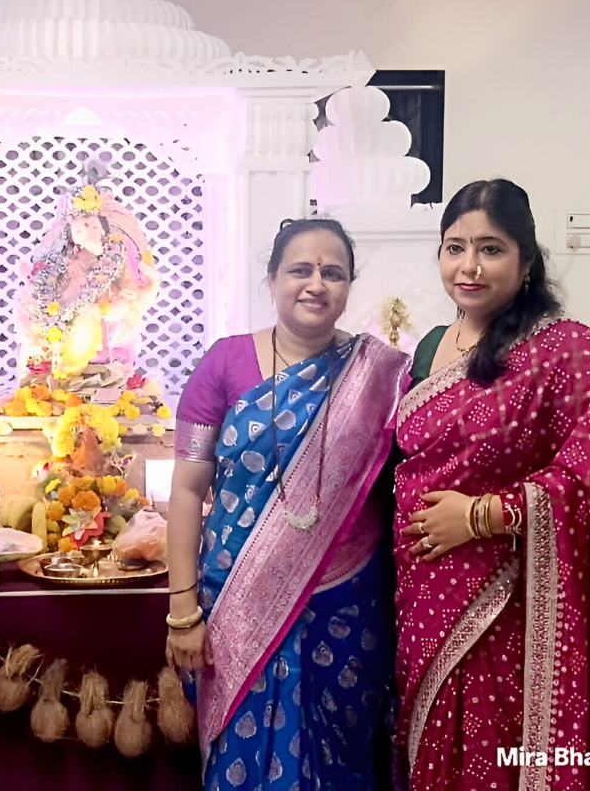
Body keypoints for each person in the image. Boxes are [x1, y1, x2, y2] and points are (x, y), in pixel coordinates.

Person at [165, 218, 411, 790]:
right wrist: (182, 612)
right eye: (300, 270)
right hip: (236, 601)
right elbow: (186, 490)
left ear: (349, 285)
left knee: (345, 758)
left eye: (333, 273)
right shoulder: (224, 364)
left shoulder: (381, 377)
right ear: (272, 278)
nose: (316, 284)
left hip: (349, 608)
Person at [394, 179, 590, 790]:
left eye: (490, 249)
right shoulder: (432, 346)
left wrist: (483, 515)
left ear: (527, 259)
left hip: (513, 602)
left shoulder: (569, 348)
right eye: (454, 247)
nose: (468, 266)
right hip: (421, 593)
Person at [16, 184, 160, 381]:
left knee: (85, 323)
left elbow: (127, 289)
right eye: (80, 228)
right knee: (31, 312)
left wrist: (123, 295)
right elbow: (44, 283)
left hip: (96, 312)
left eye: (93, 227)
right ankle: (47, 363)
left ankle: (70, 369)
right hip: (59, 310)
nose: (87, 232)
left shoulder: (112, 257)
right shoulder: (61, 258)